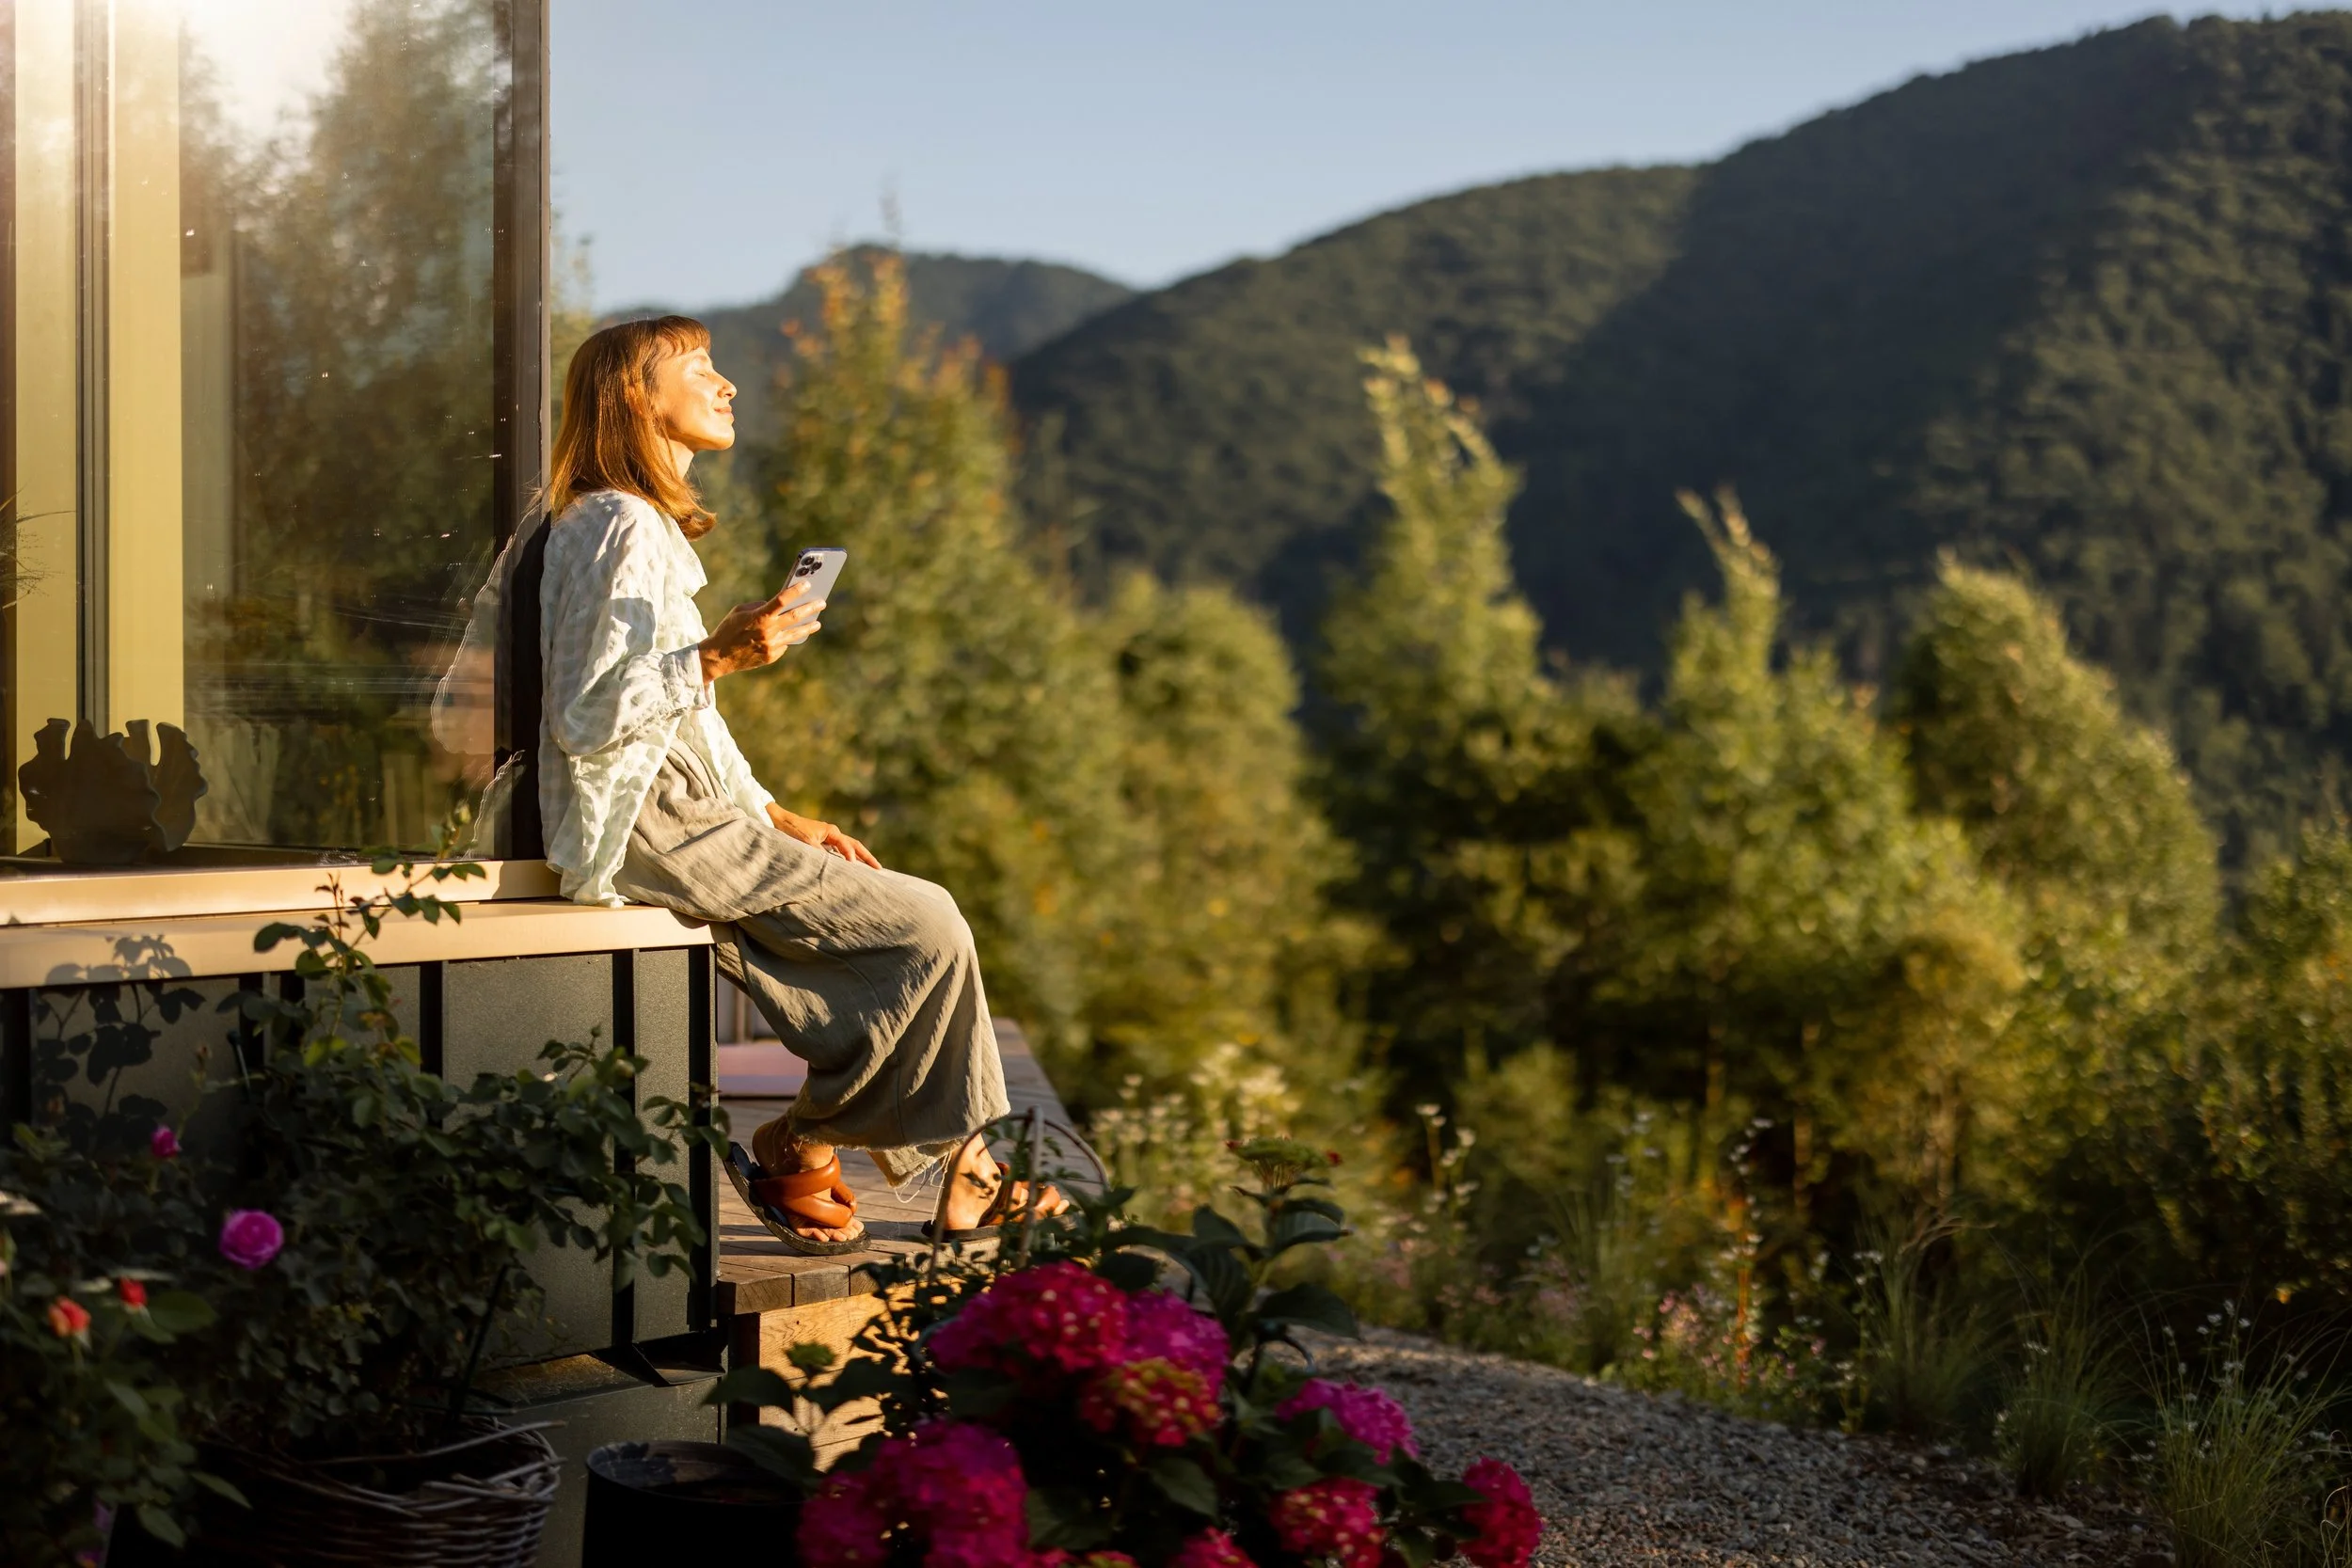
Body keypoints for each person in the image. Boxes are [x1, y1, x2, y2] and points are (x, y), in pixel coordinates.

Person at [536, 315, 1061, 1253]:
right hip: (648, 817)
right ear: (632, 397)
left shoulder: (628, 522)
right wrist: (717, 655)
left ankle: (844, 1148)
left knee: (908, 930)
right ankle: (840, 1147)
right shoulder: (617, 523)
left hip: (678, 803)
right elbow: (583, 716)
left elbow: (682, 712)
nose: (726, 383)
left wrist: (772, 810)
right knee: (925, 921)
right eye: (697, 367)